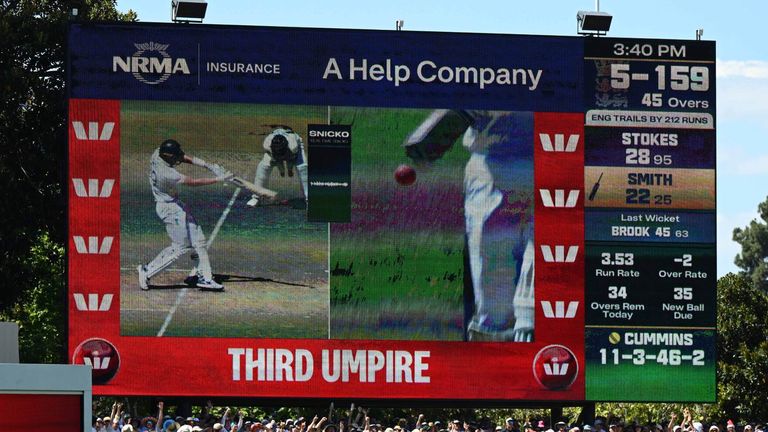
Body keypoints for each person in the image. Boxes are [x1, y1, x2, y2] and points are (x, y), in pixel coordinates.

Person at [404, 109, 535, 342]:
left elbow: (463, 107)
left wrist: (437, 132)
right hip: (505, 167)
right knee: (498, 315)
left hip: (499, 170)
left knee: (499, 316)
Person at [137, 139, 233, 291]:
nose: (179, 158)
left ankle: (203, 277)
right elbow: (193, 182)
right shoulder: (166, 174)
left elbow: (183, 157)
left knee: (199, 240)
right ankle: (147, 271)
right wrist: (218, 179)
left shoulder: (158, 153)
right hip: (169, 209)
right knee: (181, 247)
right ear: (169, 156)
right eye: (175, 157)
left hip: (175, 205)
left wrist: (209, 166)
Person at [246, 127, 308, 207]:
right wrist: (281, 170)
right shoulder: (267, 145)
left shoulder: (294, 146)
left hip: (296, 147)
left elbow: (290, 160)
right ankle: (256, 197)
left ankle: (308, 197)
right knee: (263, 168)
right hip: (274, 150)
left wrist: (289, 169)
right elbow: (278, 160)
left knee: (303, 168)